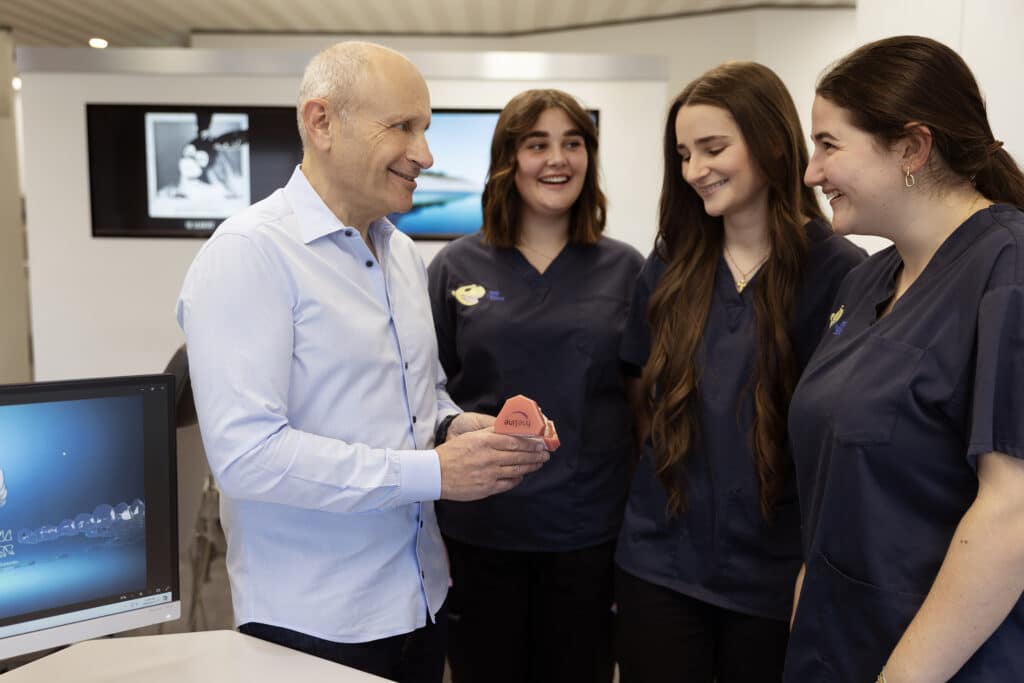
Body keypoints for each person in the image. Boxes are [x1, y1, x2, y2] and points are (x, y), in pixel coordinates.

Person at [175, 41, 549, 683]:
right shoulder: (248, 255)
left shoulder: (401, 254)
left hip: (420, 604)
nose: (425, 155)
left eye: (425, 129)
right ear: (321, 122)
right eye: (402, 127)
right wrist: (432, 473)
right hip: (313, 625)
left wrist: (459, 430)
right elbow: (247, 457)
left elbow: (422, 398)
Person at [613, 62, 866, 683]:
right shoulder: (671, 262)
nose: (696, 169)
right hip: (660, 565)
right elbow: (640, 398)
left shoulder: (841, 272)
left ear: (773, 143)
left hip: (776, 575)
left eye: (714, 148)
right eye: (683, 153)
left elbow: (839, 439)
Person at [786, 35, 1024, 682]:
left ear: (913, 148)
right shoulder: (869, 280)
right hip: (835, 644)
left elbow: (1013, 512)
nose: (811, 173)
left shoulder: (1007, 271)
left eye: (829, 145)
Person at [427, 89, 643, 682]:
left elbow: (643, 405)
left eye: (573, 144)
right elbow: (427, 402)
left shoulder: (627, 269)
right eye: (537, 144)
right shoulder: (455, 267)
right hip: (478, 532)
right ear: (508, 159)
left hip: (587, 533)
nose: (557, 159)